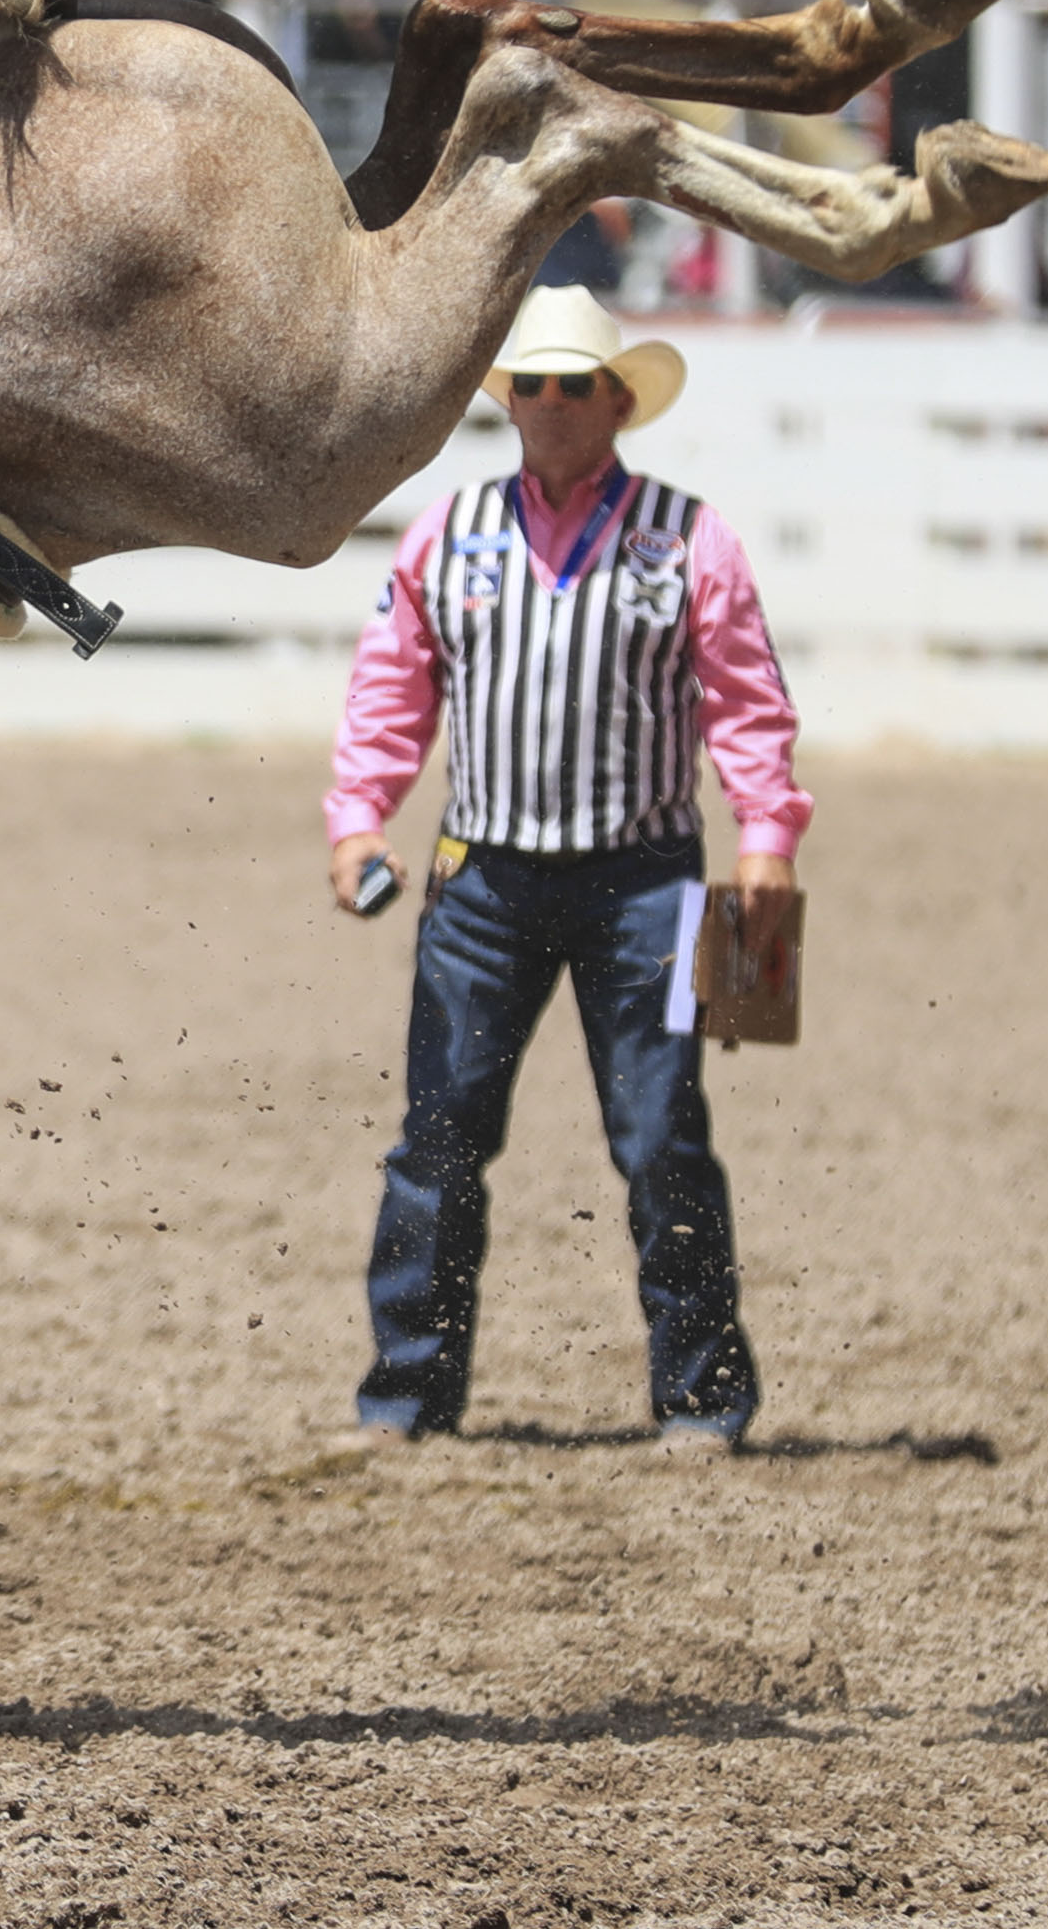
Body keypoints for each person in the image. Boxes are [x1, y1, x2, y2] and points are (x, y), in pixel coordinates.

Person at [323, 283, 809, 1456]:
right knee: (436, 1142)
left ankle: (700, 1398)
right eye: (528, 385)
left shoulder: (688, 538)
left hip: (645, 886)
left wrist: (764, 843)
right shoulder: (448, 534)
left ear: (613, 402)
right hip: (479, 883)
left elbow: (745, 707)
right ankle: (405, 1396)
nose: (545, 406)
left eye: (569, 386)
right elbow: (392, 686)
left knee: (659, 1142)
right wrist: (356, 817)